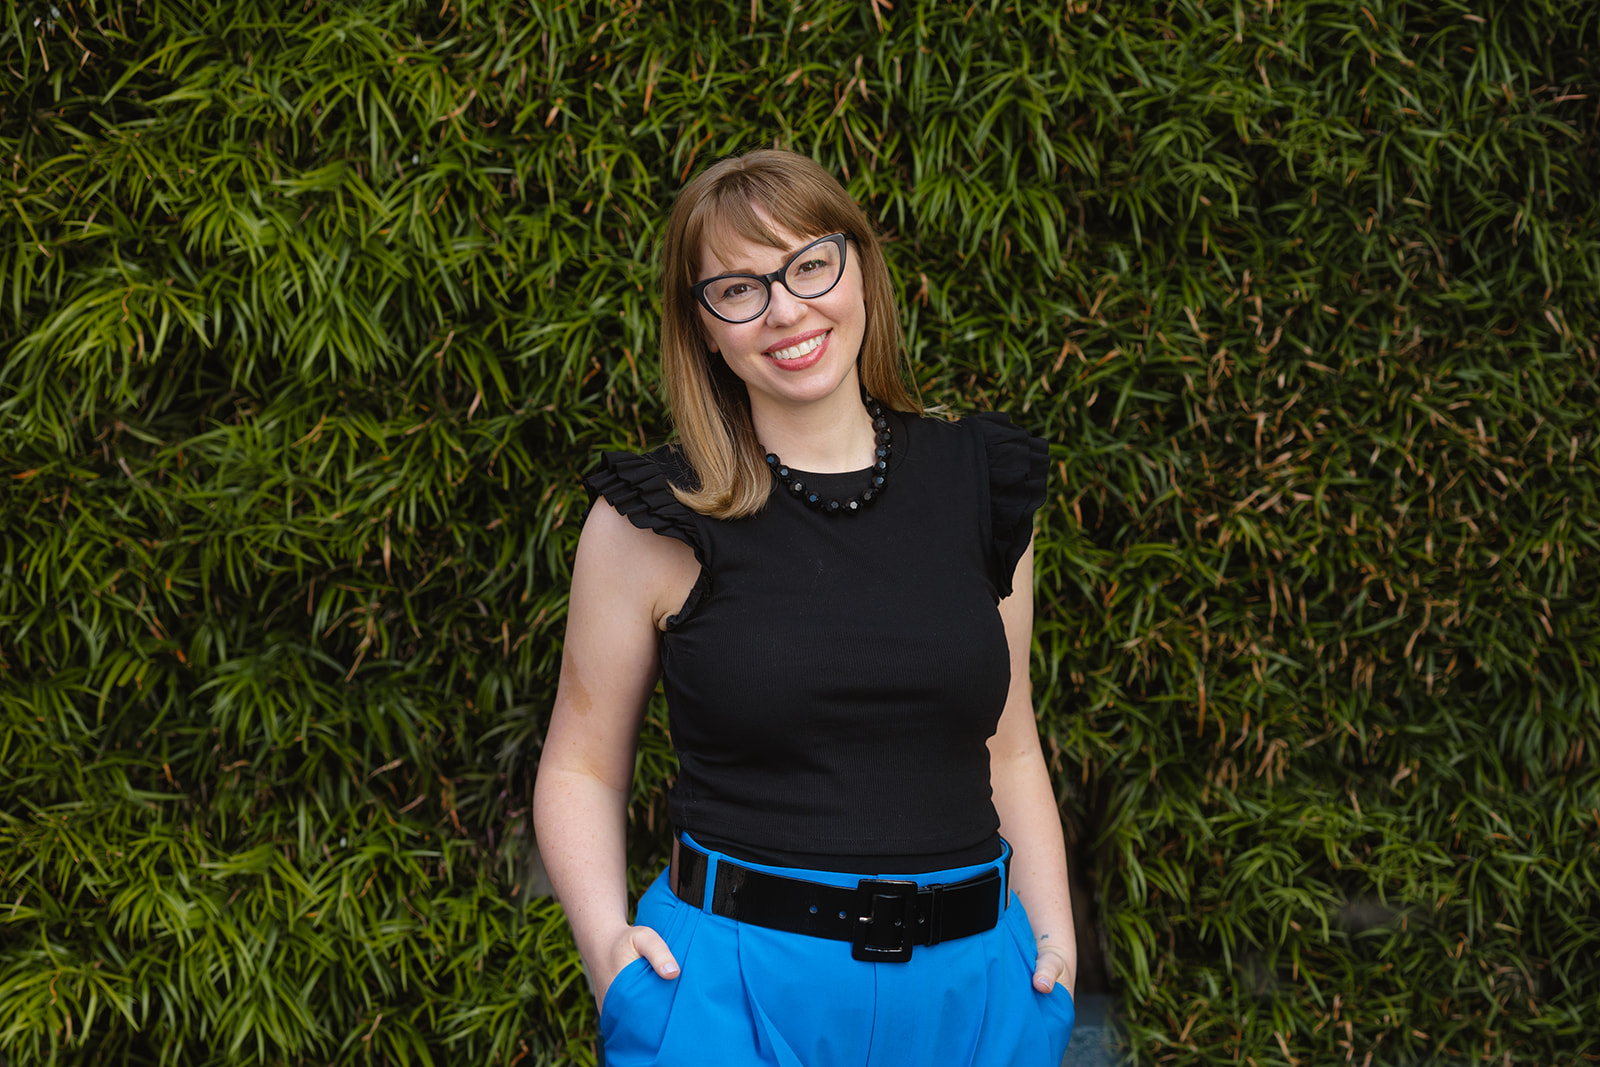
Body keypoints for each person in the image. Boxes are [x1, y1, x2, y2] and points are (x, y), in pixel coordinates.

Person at [531, 148, 1077, 1067]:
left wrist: (1054, 945)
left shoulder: (981, 485)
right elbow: (580, 767)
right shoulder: (654, 518)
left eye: (809, 264)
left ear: (859, 266)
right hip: (728, 998)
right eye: (738, 289)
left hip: (978, 996)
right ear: (703, 326)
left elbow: (1010, 743)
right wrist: (609, 957)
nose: (786, 308)